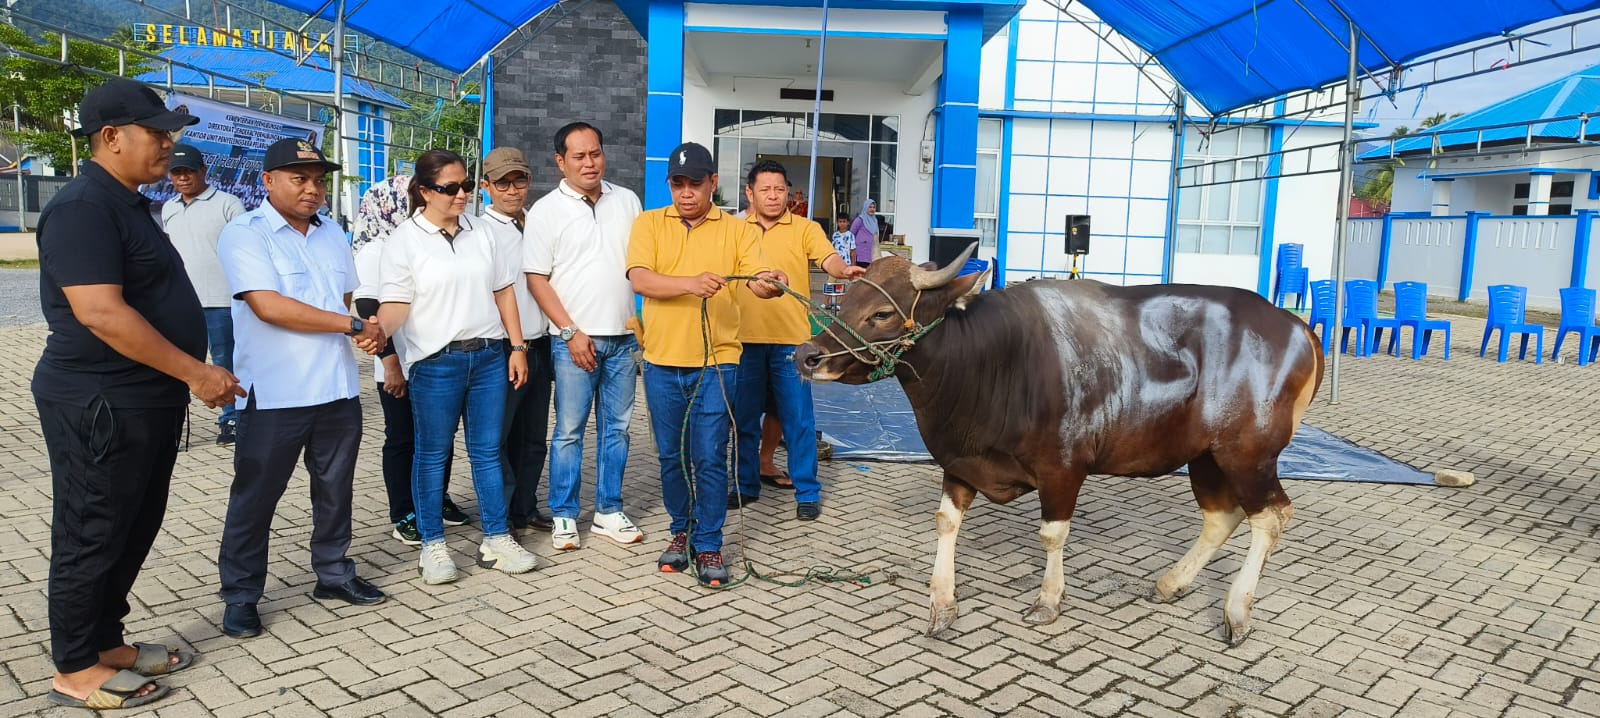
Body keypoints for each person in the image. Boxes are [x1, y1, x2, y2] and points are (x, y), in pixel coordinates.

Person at [36, 79, 240, 711]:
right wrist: (196, 372)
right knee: (92, 530)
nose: (168, 144)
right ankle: (74, 666)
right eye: (156, 132)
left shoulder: (128, 202)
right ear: (111, 137)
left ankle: (105, 641)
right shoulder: (82, 208)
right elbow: (101, 314)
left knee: (133, 523)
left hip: (140, 401)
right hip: (100, 401)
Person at [215, 138, 388, 640]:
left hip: (336, 390)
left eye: (318, 180)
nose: (313, 189)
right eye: (299, 178)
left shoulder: (332, 232)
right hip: (273, 395)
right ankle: (242, 596)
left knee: (334, 492)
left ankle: (333, 574)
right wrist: (352, 327)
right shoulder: (245, 234)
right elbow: (269, 307)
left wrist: (366, 327)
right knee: (255, 499)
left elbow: (345, 298)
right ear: (267, 182)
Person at [626, 141, 786, 588]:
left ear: (713, 183)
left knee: (710, 456)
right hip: (660, 362)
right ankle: (681, 532)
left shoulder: (738, 231)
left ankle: (709, 541)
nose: (686, 192)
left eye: (695, 183)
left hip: (718, 363)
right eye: (677, 184)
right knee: (671, 456)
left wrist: (773, 283)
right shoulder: (648, 223)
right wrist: (690, 284)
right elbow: (641, 279)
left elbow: (757, 282)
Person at [378, 148, 539, 585]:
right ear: (424, 191)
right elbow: (394, 305)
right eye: (451, 188)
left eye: (467, 185)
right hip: (435, 363)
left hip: (488, 356)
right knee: (431, 455)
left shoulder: (482, 232)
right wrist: (378, 332)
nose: (463, 194)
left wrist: (517, 346)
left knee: (487, 452)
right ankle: (432, 545)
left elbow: (504, 291)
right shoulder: (403, 241)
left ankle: (496, 539)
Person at [525, 122, 645, 551]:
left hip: (623, 340)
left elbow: (639, 266)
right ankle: (564, 514)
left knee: (618, 429)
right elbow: (537, 280)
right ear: (561, 161)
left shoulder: (627, 200)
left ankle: (609, 511)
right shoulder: (546, 211)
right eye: (579, 156)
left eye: (595, 153)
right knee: (570, 430)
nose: (589, 163)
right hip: (573, 340)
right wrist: (571, 331)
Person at [729, 160, 865, 520]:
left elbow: (828, 258)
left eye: (779, 190)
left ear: (788, 192)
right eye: (765, 190)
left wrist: (844, 269)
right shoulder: (733, 228)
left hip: (791, 342)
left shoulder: (804, 228)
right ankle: (745, 485)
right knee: (743, 419)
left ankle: (807, 491)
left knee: (799, 419)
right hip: (743, 340)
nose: (773, 197)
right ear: (749, 192)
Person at [351, 175, 461, 546]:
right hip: (397, 364)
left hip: (433, 360)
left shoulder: (427, 240)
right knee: (403, 438)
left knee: (438, 437)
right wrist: (390, 362)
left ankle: (436, 498)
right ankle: (404, 512)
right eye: (413, 197)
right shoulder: (376, 249)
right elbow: (369, 310)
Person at [478, 146, 555, 536]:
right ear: (486, 187)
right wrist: (516, 346)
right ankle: (501, 513)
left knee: (533, 438)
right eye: (502, 183)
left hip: (541, 344)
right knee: (500, 438)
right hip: (507, 349)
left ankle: (526, 506)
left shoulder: (537, 223)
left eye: (519, 180)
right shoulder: (481, 232)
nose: (512, 190)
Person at [161, 143, 247, 445]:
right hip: (181, 303)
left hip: (221, 301)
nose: (183, 177)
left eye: (189, 171)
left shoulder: (228, 204)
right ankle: (171, 420)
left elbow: (244, 251)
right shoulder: (168, 208)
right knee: (177, 362)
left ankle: (232, 419)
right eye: (177, 172)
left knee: (224, 362)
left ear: (204, 172)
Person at [850, 199, 880, 267]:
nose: (872, 209)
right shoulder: (859, 220)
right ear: (865, 208)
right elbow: (851, 234)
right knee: (861, 275)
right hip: (861, 253)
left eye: (874, 207)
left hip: (872, 253)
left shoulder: (875, 220)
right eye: (870, 207)